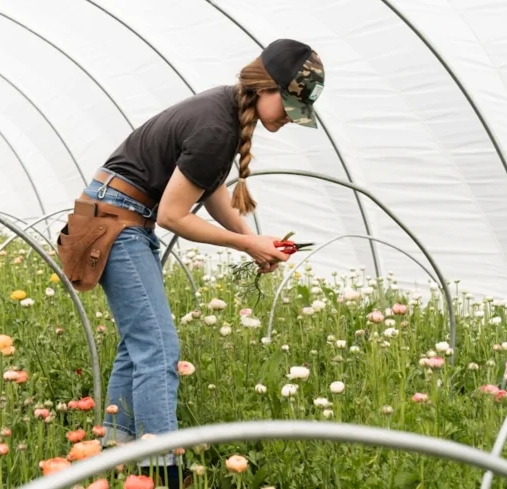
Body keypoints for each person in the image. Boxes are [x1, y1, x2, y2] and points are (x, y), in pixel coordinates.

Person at [83, 39, 325, 488]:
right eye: (289, 104)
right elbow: (175, 216)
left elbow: (208, 189)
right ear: (266, 88)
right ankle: (161, 471)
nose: (290, 118)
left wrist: (253, 239)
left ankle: (114, 455)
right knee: (158, 348)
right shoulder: (217, 127)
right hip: (116, 223)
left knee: (139, 343)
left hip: (115, 217)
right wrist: (246, 245)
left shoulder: (225, 110)